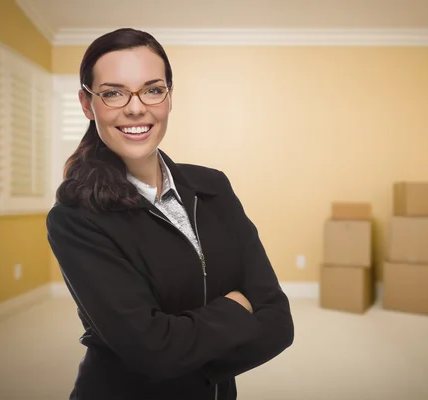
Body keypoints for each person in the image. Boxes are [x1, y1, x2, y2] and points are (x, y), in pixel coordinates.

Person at [46, 28, 294, 400]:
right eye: (113, 93)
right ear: (87, 104)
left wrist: (190, 366)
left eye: (152, 89)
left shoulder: (213, 187)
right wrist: (236, 309)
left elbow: (277, 321)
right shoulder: (75, 219)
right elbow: (152, 351)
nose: (135, 107)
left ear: (169, 97)